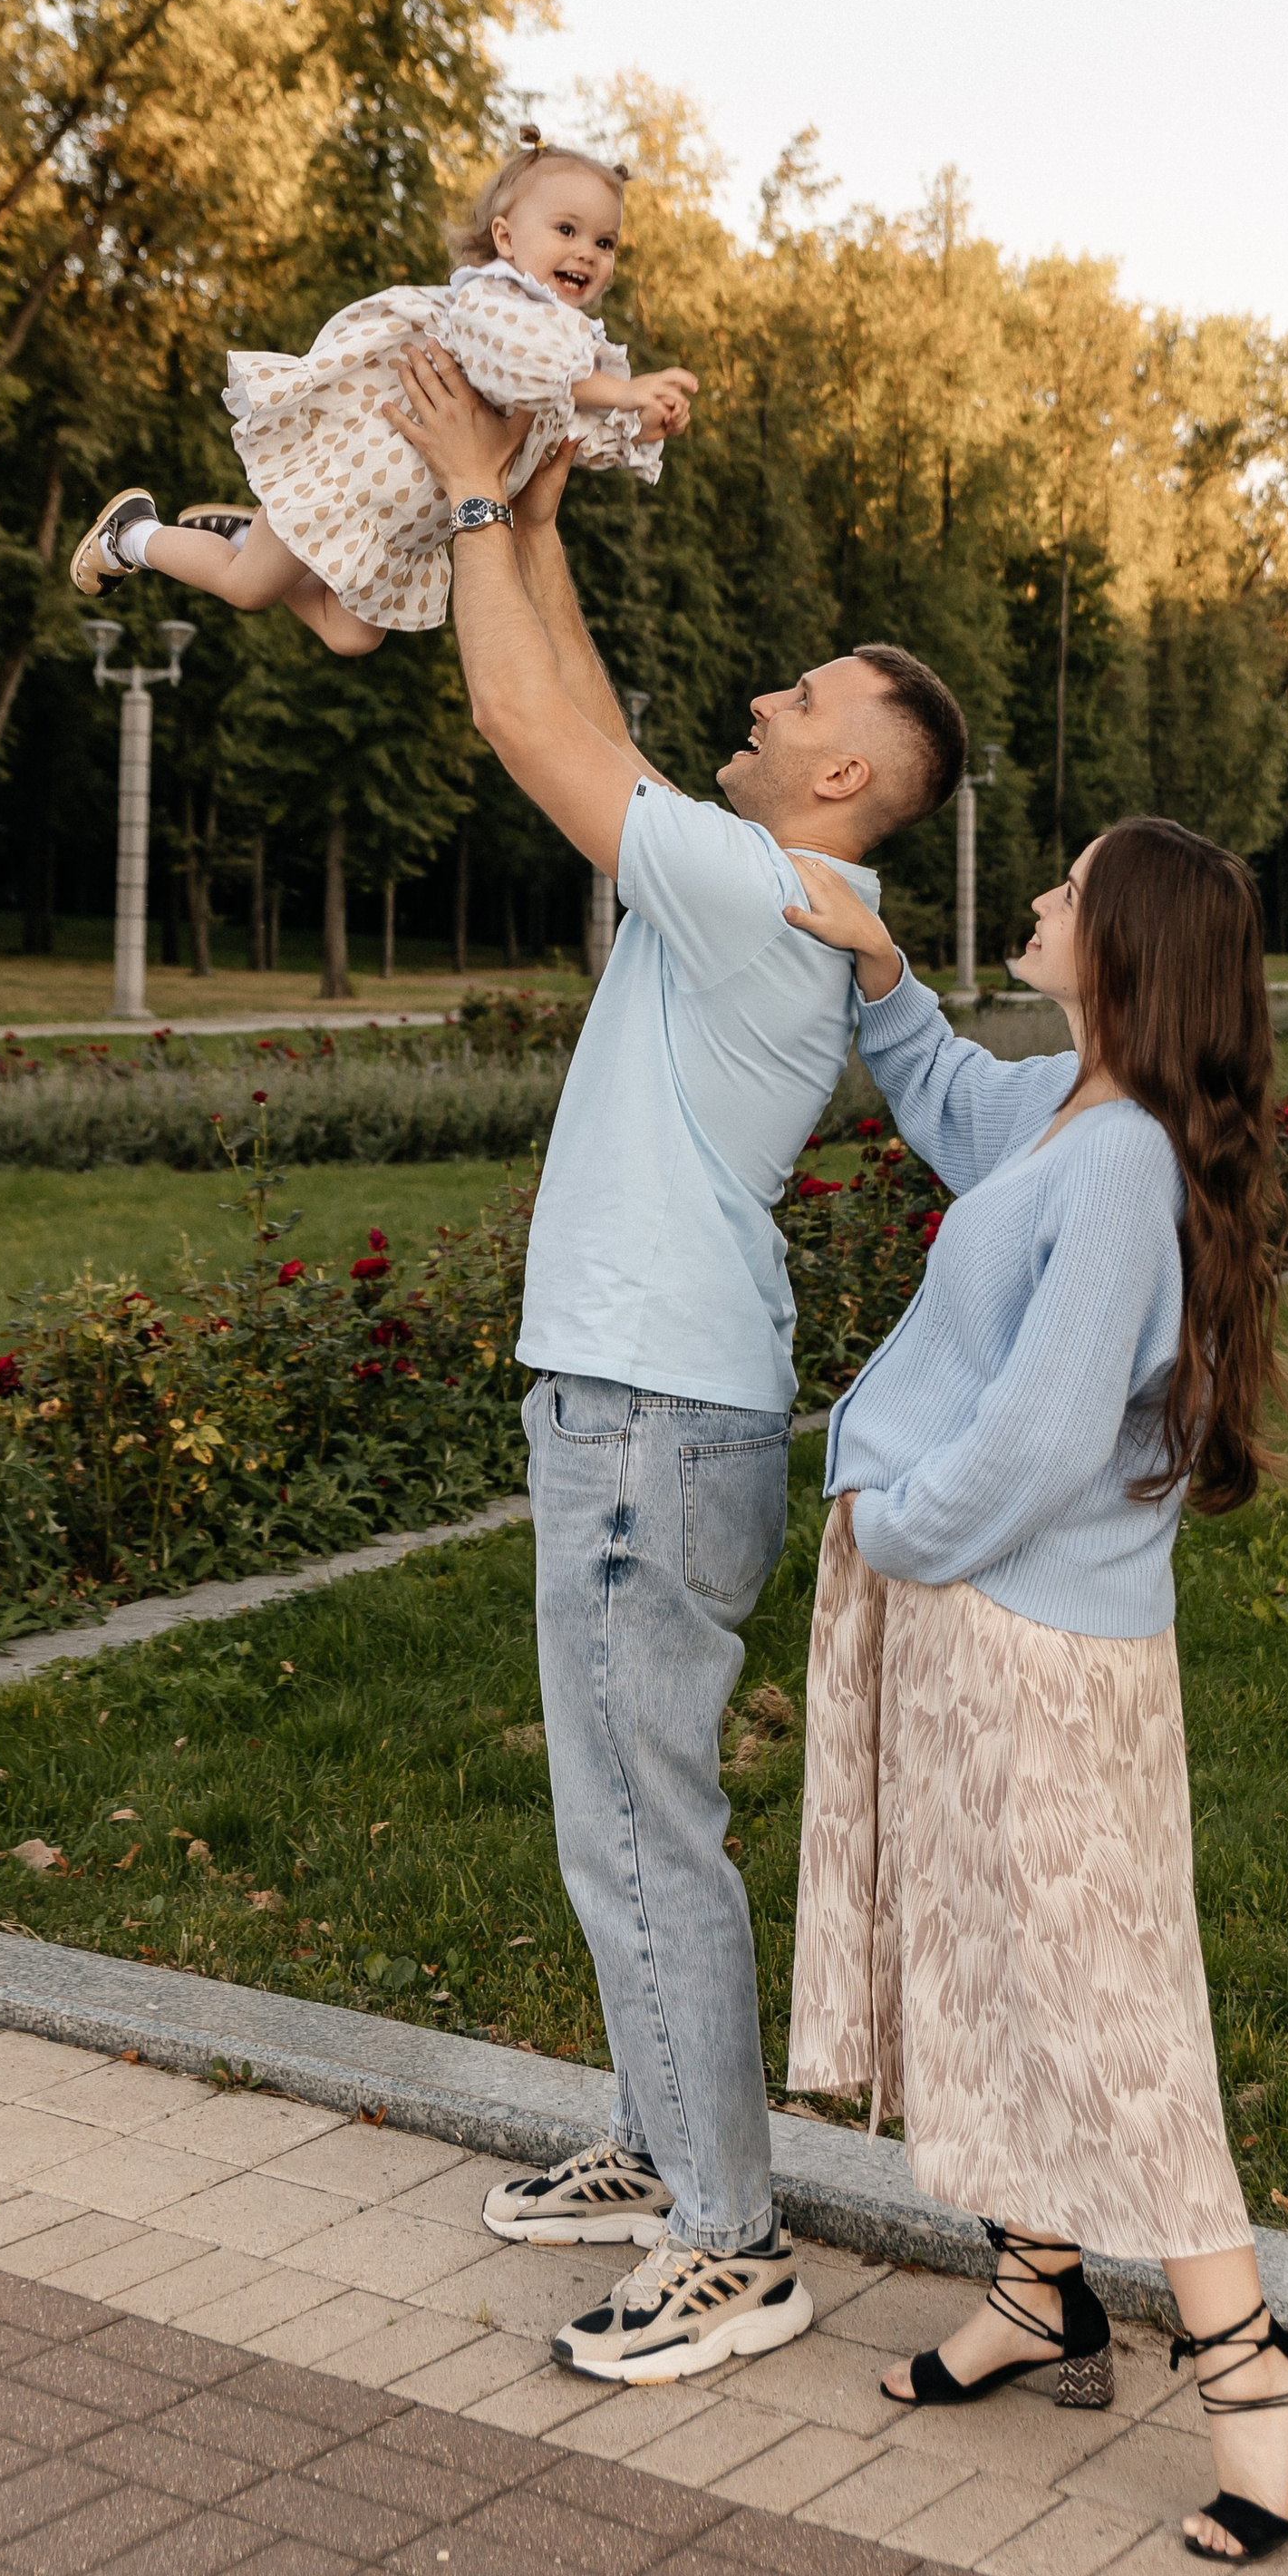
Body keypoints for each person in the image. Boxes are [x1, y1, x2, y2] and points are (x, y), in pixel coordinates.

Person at [383, 337, 968, 2387]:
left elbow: (516, 712)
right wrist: (531, 507)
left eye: (795, 697)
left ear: (834, 774)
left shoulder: (758, 890)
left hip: (649, 1408)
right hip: (646, 1395)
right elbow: (587, 712)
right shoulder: (761, 879)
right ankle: (659, 2135)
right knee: (618, 1808)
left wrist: (474, 494)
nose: (756, 701)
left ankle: (728, 2235)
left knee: (634, 1824)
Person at [781, 815, 1288, 2568]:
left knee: (1112, 2006)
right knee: (988, 1951)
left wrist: (895, 1523)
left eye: (1065, 890)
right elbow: (954, 1107)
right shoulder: (1073, 1116)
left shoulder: (1117, 1166)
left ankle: (1254, 2373)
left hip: (1023, 1627)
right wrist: (884, 985)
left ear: (1120, 947)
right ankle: (1043, 2290)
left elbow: (1042, 1437)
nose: (1038, 902)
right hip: (992, 1617)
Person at [66, 129, 698, 651]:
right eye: (567, 230)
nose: (587, 252)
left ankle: (246, 532)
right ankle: (132, 536)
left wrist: (643, 424)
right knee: (245, 587)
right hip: (354, 481)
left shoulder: (574, 352)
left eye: (605, 242)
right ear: (506, 238)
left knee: (352, 637)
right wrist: (628, 391)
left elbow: (573, 434)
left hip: (405, 523)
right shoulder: (493, 301)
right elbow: (517, 368)